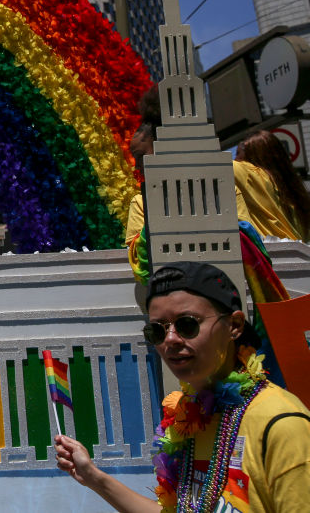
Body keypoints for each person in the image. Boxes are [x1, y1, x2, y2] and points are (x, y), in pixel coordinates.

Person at [55, 262, 310, 512]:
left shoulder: (282, 425)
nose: (171, 340)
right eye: (157, 330)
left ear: (234, 326)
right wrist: (93, 477)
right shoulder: (189, 417)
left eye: (188, 324)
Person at [235, 130, 310, 242]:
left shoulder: (248, 174)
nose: (236, 159)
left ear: (251, 155)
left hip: (274, 254)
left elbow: (212, 162)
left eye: (238, 154)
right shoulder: (291, 187)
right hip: (300, 254)